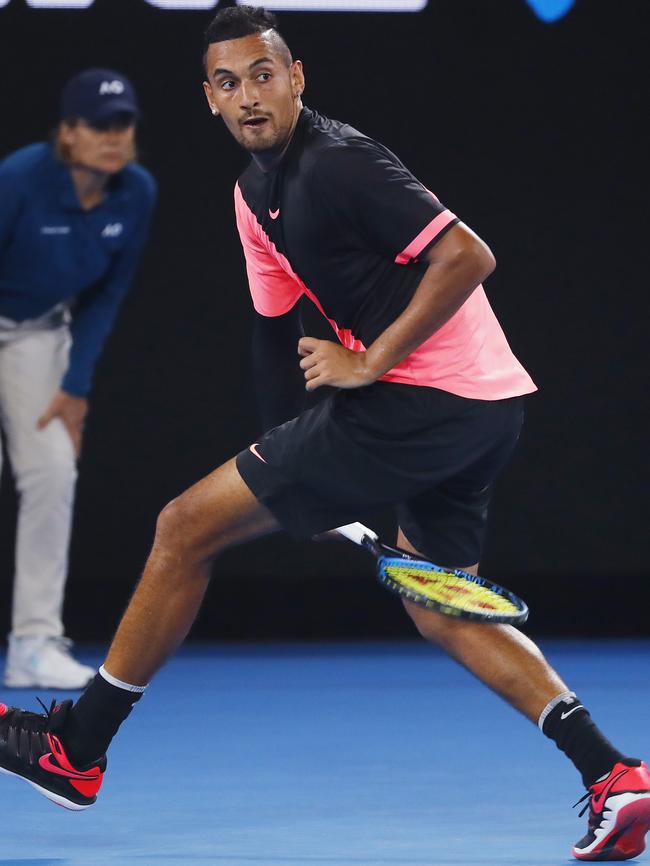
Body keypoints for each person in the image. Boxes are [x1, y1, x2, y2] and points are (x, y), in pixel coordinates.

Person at [0, 8, 648, 860]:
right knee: (444, 610)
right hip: (482, 409)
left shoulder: (340, 163)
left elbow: (468, 256)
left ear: (296, 76)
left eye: (263, 74)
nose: (249, 96)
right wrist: (286, 454)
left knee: (181, 528)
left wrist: (369, 363)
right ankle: (611, 772)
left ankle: (76, 748)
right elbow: (276, 335)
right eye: (228, 83)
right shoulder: (250, 198)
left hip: (423, 402)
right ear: (208, 98)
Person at [0, 69, 156, 689]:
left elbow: (107, 297)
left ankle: (33, 644)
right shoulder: (17, 181)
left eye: (123, 125)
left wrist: (76, 385)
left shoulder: (136, 193)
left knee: (53, 471)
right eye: (98, 125)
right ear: (68, 133)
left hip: (38, 334)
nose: (113, 136)